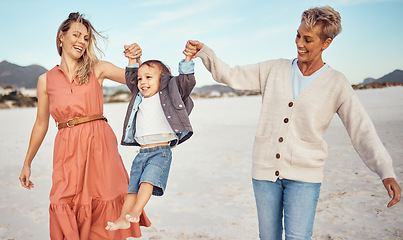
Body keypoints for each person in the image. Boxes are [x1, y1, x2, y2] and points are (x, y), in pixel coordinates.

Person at [184, 6, 401, 240]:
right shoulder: (274, 69)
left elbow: (362, 130)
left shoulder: (337, 83)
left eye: (308, 39)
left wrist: (385, 172)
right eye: (298, 35)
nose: (299, 43)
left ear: (326, 43)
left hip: (305, 178)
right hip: (265, 174)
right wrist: (205, 52)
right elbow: (230, 75)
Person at [18, 12, 151, 239]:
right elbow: (41, 124)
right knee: (62, 200)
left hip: (99, 144)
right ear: (62, 36)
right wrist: (27, 162)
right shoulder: (45, 80)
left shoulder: (98, 68)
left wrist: (135, 60)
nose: (81, 41)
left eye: (86, 38)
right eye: (76, 35)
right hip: (67, 147)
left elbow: (139, 80)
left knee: (103, 200)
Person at [105, 44, 196, 230]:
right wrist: (132, 61)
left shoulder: (170, 93)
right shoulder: (139, 96)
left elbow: (186, 81)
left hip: (160, 151)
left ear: (162, 80)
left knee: (147, 181)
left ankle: (137, 211)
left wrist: (187, 61)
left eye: (148, 77)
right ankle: (123, 218)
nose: (142, 82)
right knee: (132, 188)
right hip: (142, 152)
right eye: (140, 78)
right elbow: (130, 78)